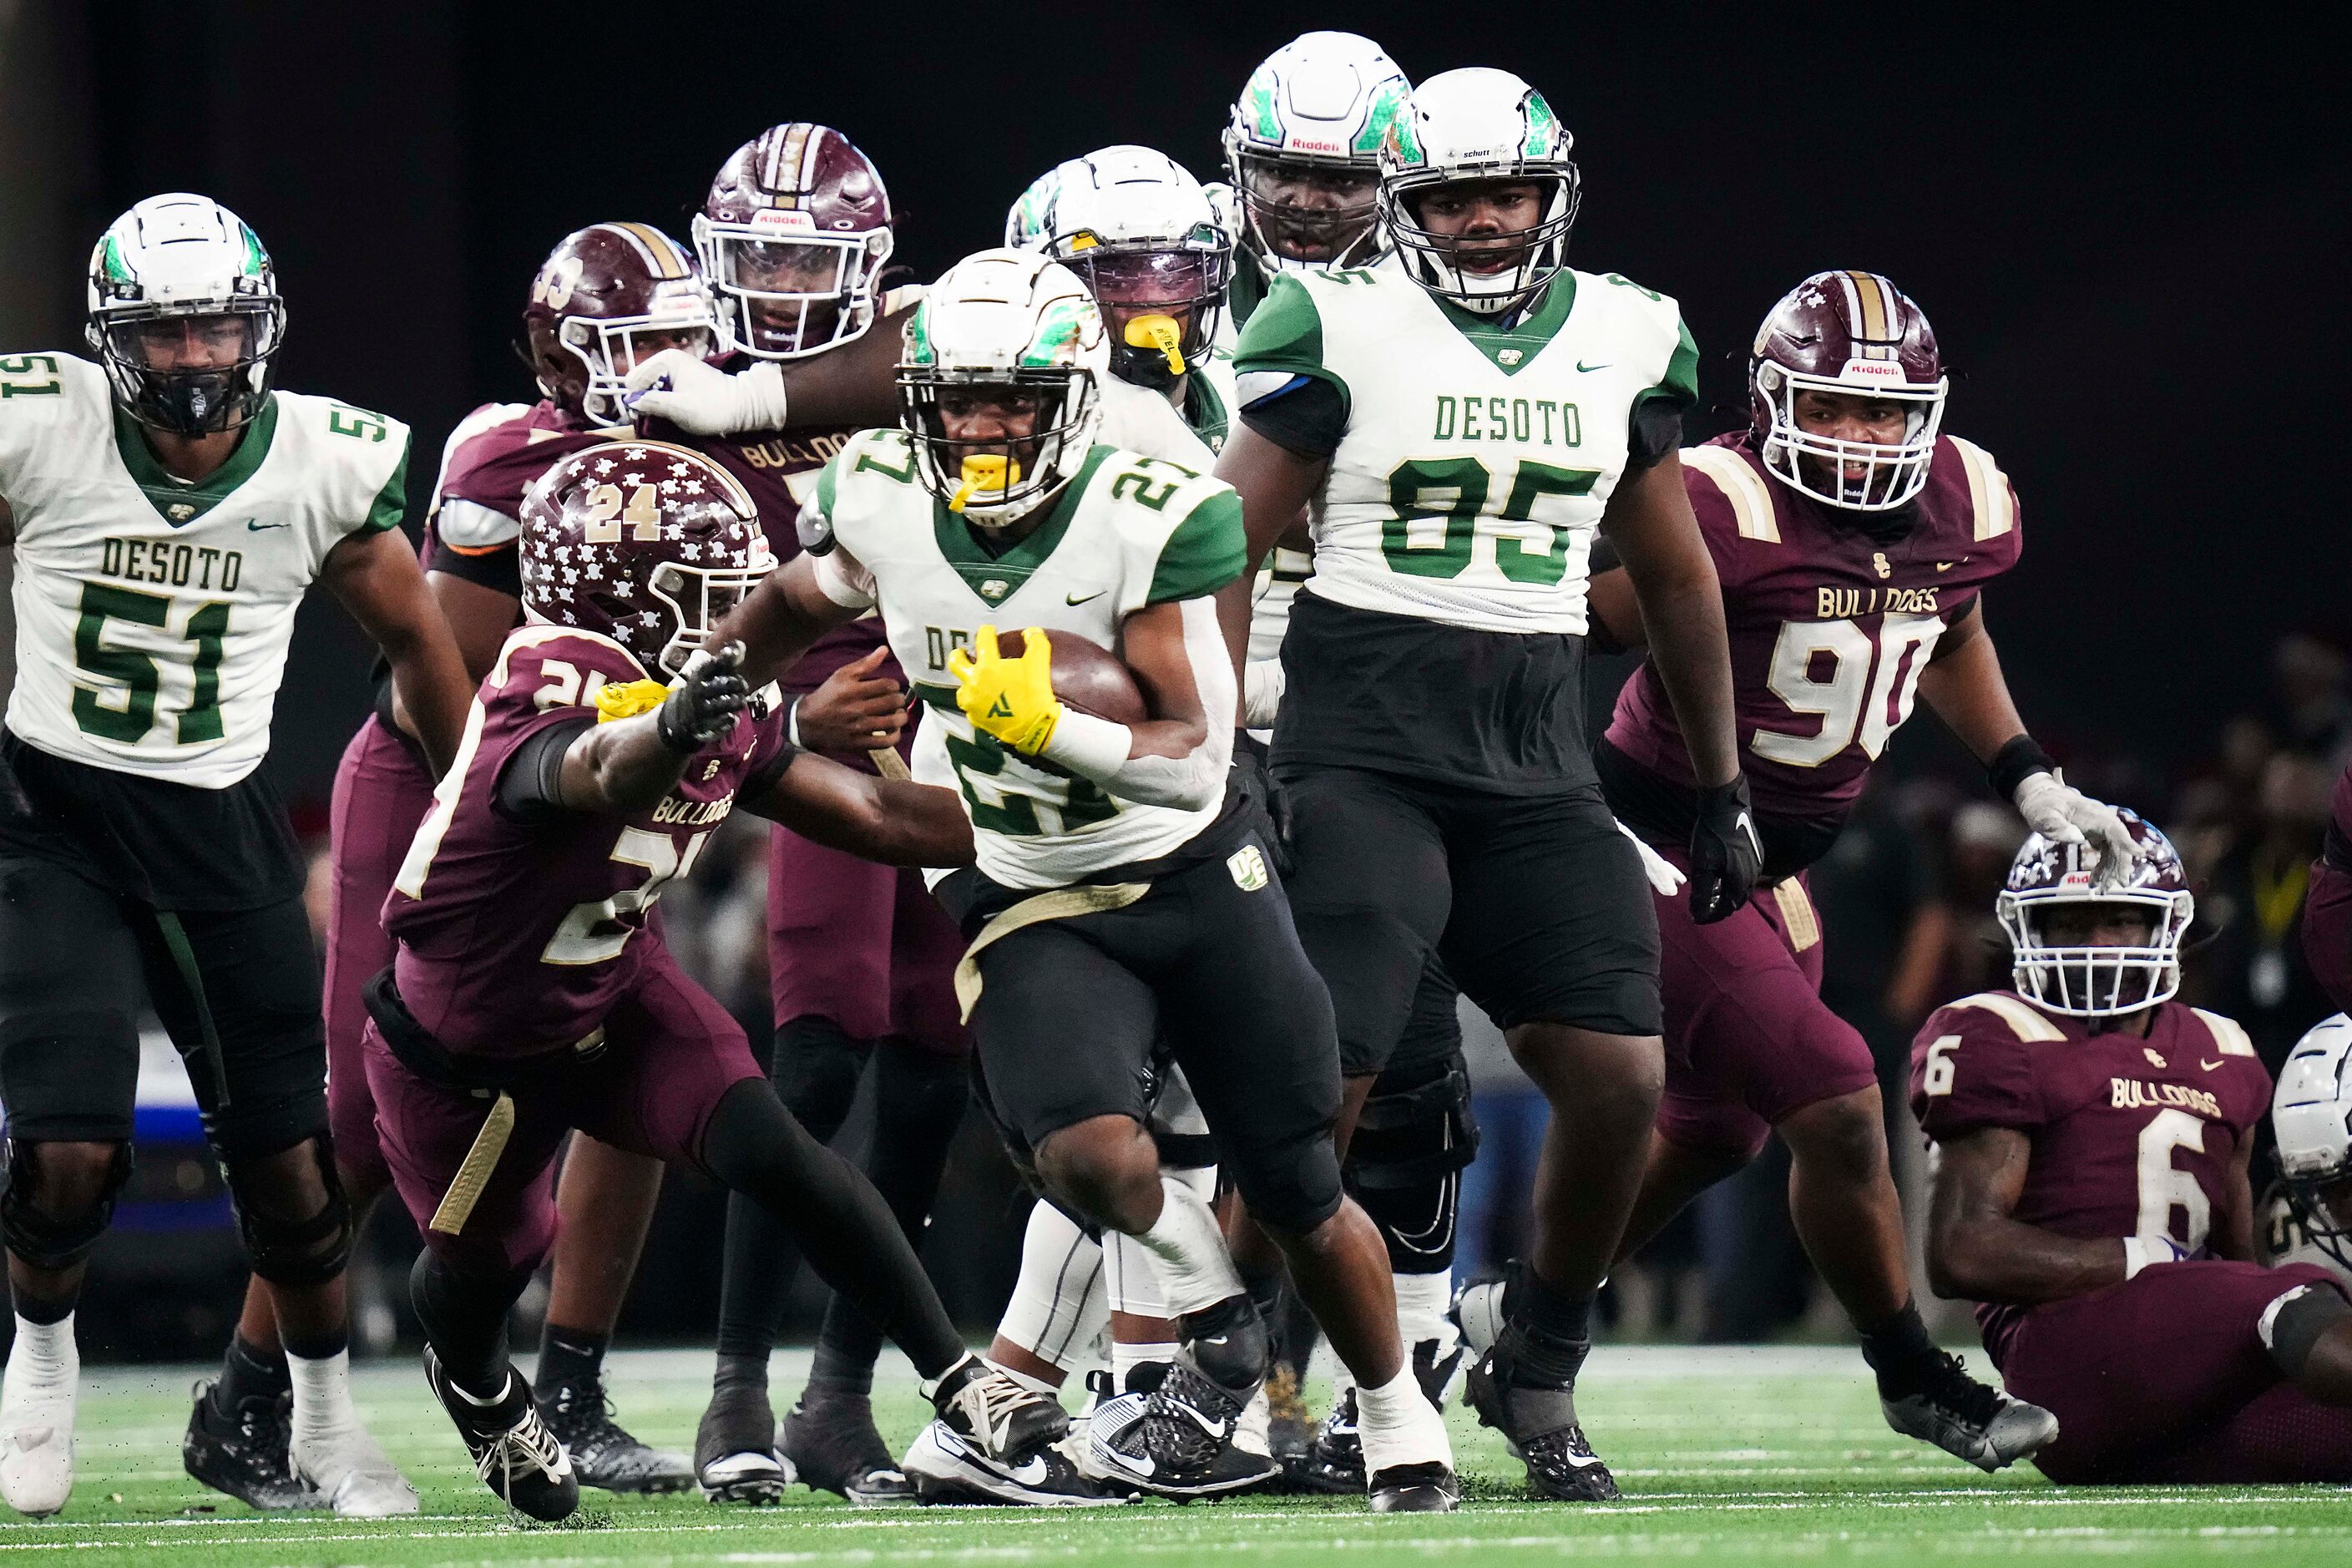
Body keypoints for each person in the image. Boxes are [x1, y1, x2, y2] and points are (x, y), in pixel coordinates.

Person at [713, 248, 1459, 1513]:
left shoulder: (1160, 505)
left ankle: (1397, 1419)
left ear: (1073, 393)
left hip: (1191, 871)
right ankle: (1211, 1306)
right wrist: (707, 692)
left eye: (1012, 397)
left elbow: (1190, 756)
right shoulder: (885, 494)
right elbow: (792, 597)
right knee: (1080, 1150)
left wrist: (1049, 723)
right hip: (1032, 888)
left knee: (1295, 1183)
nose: (982, 423)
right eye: (958, 397)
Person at [1216, 67, 1753, 1500]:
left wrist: (1720, 781)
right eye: (1446, 197)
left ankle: (1539, 1350)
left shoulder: (1631, 332)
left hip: (1531, 753)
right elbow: (1216, 542)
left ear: (1550, 194)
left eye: (1499, 192)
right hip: (1364, 742)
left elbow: (1675, 566)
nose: (1475, 221)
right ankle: (1243, 1370)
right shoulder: (1331, 319)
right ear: (1404, 209)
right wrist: (1214, 749)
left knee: (1621, 1076)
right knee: (1316, 1085)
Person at [366, 438, 1068, 1521]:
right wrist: (685, 719)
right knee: (484, 1263)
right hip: (471, 1035)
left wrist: (1075, 816)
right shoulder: (555, 686)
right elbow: (600, 766)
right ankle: (476, 1382)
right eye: (709, 587)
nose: (733, 606)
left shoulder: (704, 693)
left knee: (768, 1141)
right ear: (633, 597)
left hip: (613, 978)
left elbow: (876, 814)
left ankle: (957, 1380)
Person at [186, 220, 718, 1511]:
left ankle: (577, 1393)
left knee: (635, 1067)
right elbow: (465, 684)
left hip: (598, 804)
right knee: (364, 1116)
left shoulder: (718, 453)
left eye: (677, 341)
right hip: (452, 788)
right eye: (634, 343)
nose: (663, 368)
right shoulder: (506, 452)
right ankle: (248, 1396)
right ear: (562, 354)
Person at [1571, 271, 2138, 1470]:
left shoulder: (1966, 500)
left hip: (1780, 856)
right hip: (1662, 829)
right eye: (1830, 409)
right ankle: (1913, 1373)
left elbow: (1948, 623)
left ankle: (1527, 1310)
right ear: (1773, 402)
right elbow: (1571, 615)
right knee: (1832, 1092)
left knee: (1718, 1130)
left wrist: (2024, 772)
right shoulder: (1720, 496)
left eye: (1884, 414)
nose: (1862, 436)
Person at [0, 194, 475, 1518]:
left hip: (219, 825)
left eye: (217, 325)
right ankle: (41, 1357)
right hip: (56, 823)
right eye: (167, 329)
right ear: (112, 340)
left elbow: (419, 640)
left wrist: (469, 804)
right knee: (68, 1151)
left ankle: (321, 1421)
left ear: (257, 327)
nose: (197, 356)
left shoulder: (321, 460)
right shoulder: (39, 432)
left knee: (290, 1163)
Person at [1912, 816, 2352, 1483]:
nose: (2095, 943)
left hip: (2180, 1375)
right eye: (2069, 922)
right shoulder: (1999, 1033)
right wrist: (2135, 1259)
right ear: (2027, 929)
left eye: (2118, 919)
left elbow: (2238, 1260)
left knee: (2331, 1429)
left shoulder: (2222, 1049)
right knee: (2291, 1297)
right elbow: (1959, 1251)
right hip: (2065, 1358)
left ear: (2164, 928)